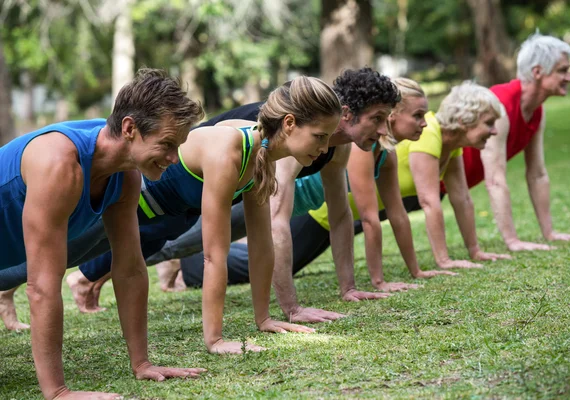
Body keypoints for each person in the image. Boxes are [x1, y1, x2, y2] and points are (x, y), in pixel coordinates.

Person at [67, 68, 401, 324]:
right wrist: (291, 309)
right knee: (167, 243)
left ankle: (84, 277)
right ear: (346, 114)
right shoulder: (284, 141)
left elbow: (339, 216)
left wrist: (348, 288)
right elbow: (275, 224)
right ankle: (74, 277)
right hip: (186, 181)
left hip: (210, 193)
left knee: (154, 241)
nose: (385, 131)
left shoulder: (327, 145)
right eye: (377, 119)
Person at [175, 80, 512, 287]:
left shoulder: (365, 149)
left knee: (197, 239)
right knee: (182, 239)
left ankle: (179, 263)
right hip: (249, 184)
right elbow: (368, 215)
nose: (385, 128)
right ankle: (182, 267)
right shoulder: (315, 140)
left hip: (284, 198)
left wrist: (374, 282)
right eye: (381, 118)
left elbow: (379, 214)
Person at [0, 69, 204, 400]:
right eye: (167, 144)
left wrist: (142, 364)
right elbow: (40, 287)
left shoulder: (125, 177)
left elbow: (130, 268)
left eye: (177, 146)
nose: (173, 158)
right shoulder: (59, 164)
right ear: (129, 129)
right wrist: (58, 393)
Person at [458, 33, 570, 250]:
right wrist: (512, 241)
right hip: (427, 181)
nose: (569, 77)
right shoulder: (499, 106)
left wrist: (549, 233)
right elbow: (495, 180)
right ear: (537, 72)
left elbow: (537, 174)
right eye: (562, 70)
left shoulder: (537, 110)